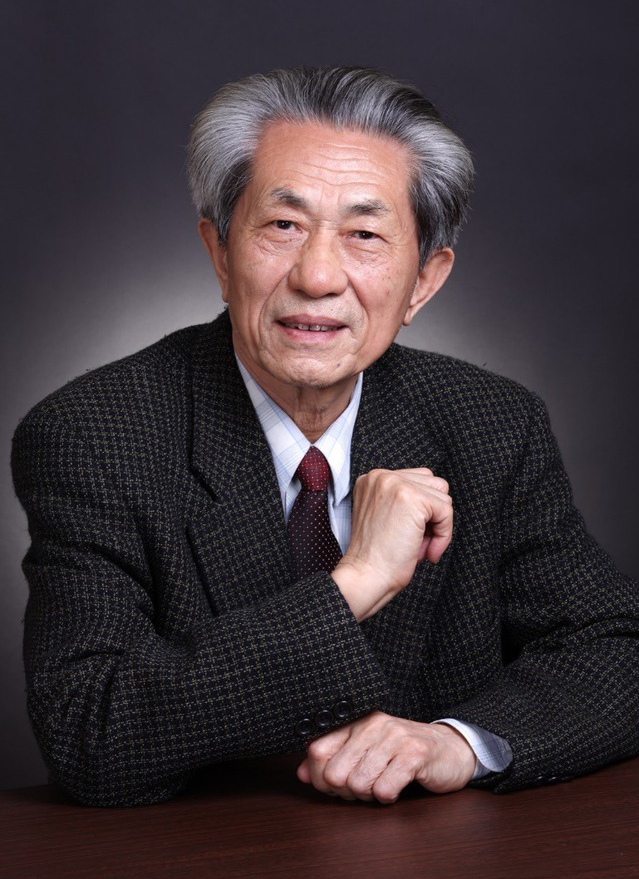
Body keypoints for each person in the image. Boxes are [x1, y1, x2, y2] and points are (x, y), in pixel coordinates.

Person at [12, 66, 639, 808]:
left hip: (441, 858)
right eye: (283, 226)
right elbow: (88, 733)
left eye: (364, 234)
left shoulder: (492, 423)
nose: (316, 276)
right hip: (204, 857)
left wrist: (455, 743)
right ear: (219, 252)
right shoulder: (92, 436)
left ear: (424, 281)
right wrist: (355, 585)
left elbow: (617, 652)